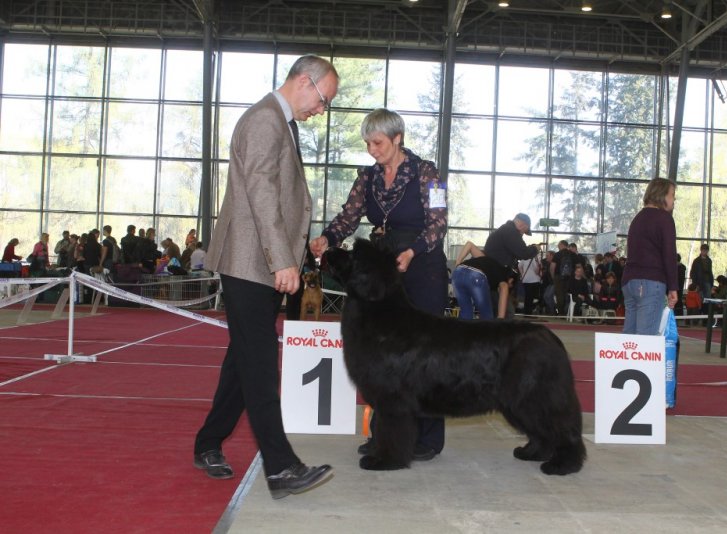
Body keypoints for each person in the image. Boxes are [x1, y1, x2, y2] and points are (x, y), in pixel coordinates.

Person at [195, 55, 338, 499]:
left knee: (243, 360)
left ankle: (207, 443)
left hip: (257, 262)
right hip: (250, 262)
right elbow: (260, 193)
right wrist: (282, 259)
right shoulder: (264, 120)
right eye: (323, 98)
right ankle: (281, 467)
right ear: (303, 81)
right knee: (258, 365)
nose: (322, 109)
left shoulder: (278, 121)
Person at [309, 107, 448, 463]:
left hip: (422, 265)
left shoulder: (427, 173)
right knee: (383, 360)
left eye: (378, 142)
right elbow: (348, 216)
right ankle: (386, 435)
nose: (372, 149)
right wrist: (327, 238)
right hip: (383, 274)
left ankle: (427, 438)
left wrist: (413, 251)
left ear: (397, 138)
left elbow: (438, 222)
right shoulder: (367, 178)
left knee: (425, 354)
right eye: (368, 143)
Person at [621, 177, 678, 335]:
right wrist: (673, 287)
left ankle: (626, 361)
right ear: (662, 195)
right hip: (650, 282)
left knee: (629, 339)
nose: (674, 200)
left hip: (629, 282)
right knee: (645, 340)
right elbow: (669, 254)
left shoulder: (638, 218)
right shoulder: (664, 218)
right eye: (672, 195)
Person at [452, 242, 517, 320]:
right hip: (476, 275)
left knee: (466, 314)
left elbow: (469, 245)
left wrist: (457, 263)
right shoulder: (503, 276)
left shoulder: (485, 260)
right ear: (511, 280)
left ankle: (464, 332)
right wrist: (500, 319)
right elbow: (504, 287)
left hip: (457, 273)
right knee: (487, 317)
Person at [690, 243, 713, 311]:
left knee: (707, 299)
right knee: (699, 298)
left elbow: (710, 272)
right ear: (701, 250)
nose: (704, 252)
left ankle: (706, 315)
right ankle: (699, 314)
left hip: (707, 281)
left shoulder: (709, 260)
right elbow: (693, 272)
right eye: (703, 250)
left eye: (706, 250)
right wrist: (695, 283)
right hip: (699, 282)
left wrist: (711, 282)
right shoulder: (696, 261)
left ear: (707, 251)